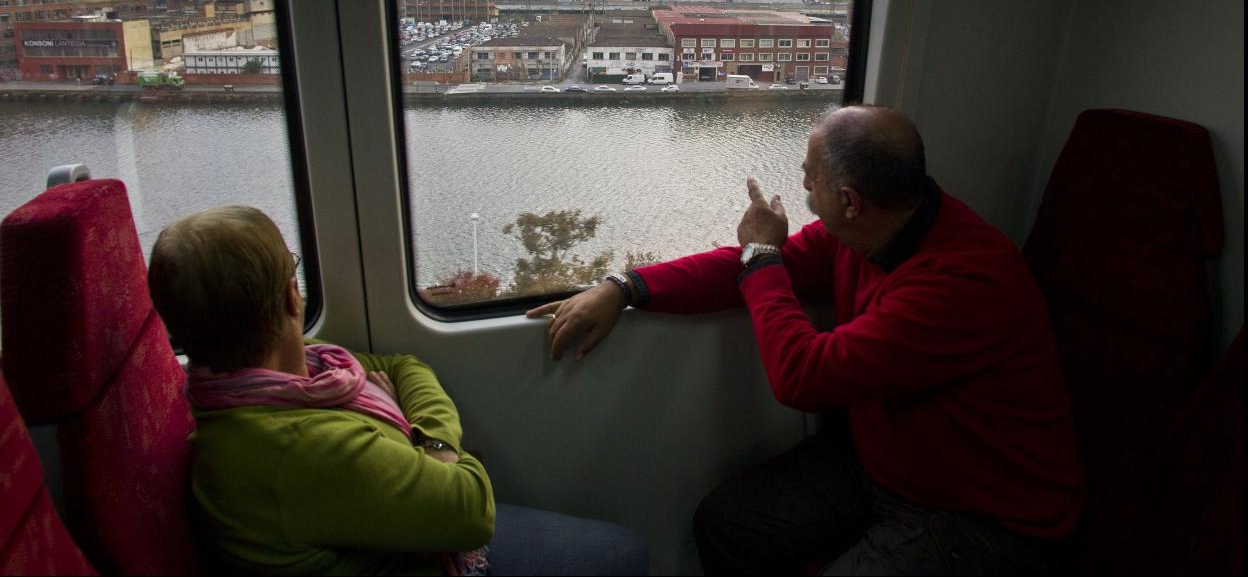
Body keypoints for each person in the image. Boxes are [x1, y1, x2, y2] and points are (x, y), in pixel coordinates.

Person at [528, 105, 1085, 575]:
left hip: (982, 513)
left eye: (810, 176)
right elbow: (742, 268)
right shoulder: (866, 230)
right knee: (728, 524)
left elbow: (803, 376)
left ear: (850, 200)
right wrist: (624, 287)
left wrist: (764, 255)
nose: (800, 185)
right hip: (886, 466)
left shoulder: (962, 280)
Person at [149, 206, 647, 576]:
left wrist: (411, 444)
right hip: (414, 557)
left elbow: (402, 364)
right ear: (289, 296)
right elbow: (472, 507)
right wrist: (425, 442)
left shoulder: (289, 376)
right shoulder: (297, 447)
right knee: (623, 554)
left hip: (397, 531)